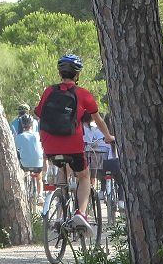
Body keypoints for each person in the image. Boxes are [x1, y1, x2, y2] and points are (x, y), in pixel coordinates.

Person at [35, 54, 114, 237]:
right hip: (73, 144)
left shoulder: (49, 91)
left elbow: (39, 113)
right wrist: (108, 136)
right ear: (77, 75)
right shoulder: (83, 94)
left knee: (63, 170)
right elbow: (98, 120)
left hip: (50, 146)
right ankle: (81, 213)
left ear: (60, 73)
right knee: (84, 176)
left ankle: (60, 213)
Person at [14, 115, 44, 200]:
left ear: (22, 125)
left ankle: (24, 193)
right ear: (32, 125)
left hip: (25, 164)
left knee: (23, 172)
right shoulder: (37, 135)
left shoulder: (19, 137)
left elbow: (16, 149)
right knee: (39, 178)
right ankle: (40, 196)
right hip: (37, 163)